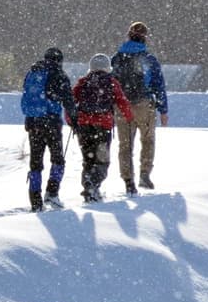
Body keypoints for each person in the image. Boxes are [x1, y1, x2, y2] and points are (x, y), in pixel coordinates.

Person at [110, 22, 170, 194]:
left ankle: (128, 180)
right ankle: (144, 174)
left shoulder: (117, 58)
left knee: (125, 145)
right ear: (145, 37)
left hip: (122, 106)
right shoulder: (149, 59)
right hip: (144, 104)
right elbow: (159, 85)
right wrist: (163, 110)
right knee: (148, 140)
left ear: (128, 35)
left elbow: (111, 83)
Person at [72, 53, 136, 202]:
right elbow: (122, 101)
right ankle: (93, 185)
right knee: (102, 160)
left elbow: (71, 102)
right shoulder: (111, 82)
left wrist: (72, 122)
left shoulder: (82, 82)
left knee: (88, 159)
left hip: (84, 126)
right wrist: (129, 117)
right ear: (108, 67)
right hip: (103, 125)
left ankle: (88, 184)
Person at [20, 47, 76, 212]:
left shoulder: (32, 73)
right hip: (51, 122)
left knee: (35, 162)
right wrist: (74, 119)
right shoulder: (58, 74)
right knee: (57, 158)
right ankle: (52, 192)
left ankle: (35, 200)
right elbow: (68, 99)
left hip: (33, 122)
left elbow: (27, 95)